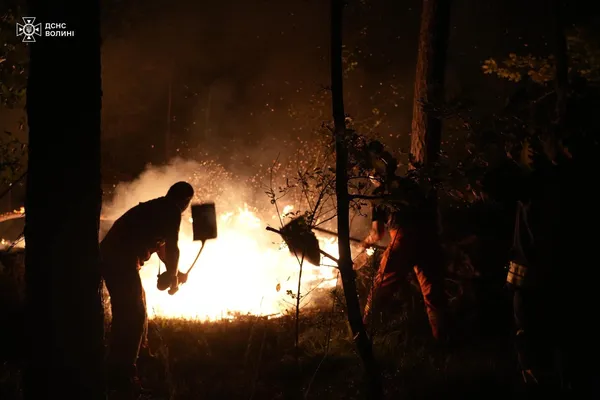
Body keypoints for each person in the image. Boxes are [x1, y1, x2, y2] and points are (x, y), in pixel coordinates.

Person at [100, 181, 194, 396]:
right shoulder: (171, 210)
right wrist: (173, 278)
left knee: (139, 307)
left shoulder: (156, 208)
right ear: (185, 201)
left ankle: (139, 358)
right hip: (120, 259)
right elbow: (172, 246)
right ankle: (121, 375)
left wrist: (175, 274)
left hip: (117, 257)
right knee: (132, 314)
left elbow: (162, 248)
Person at [359, 163, 448, 341]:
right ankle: (443, 342)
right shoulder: (412, 186)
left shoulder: (380, 194)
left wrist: (365, 242)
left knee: (380, 287)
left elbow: (377, 233)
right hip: (429, 238)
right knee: (432, 293)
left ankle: (362, 334)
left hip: (404, 239)